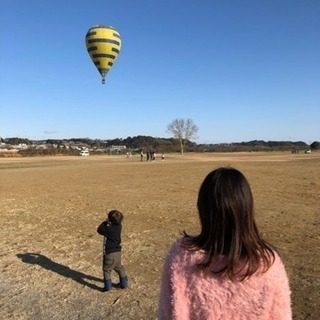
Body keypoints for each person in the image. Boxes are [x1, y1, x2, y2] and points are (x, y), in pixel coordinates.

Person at [159, 167, 291, 319]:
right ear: (247, 210)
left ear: (202, 208)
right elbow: (281, 314)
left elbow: (167, 312)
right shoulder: (267, 264)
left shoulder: (180, 256)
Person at [97, 210, 128, 292]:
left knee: (107, 270)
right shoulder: (119, 226)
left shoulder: (108, 229)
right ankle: (124, 284)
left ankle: (107, 287)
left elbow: (99, 230)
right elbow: (112, 224)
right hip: (118, 252)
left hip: (109, 253)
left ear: (110, 219)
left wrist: (105, 222)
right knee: (119, 268)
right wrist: (109, 222)